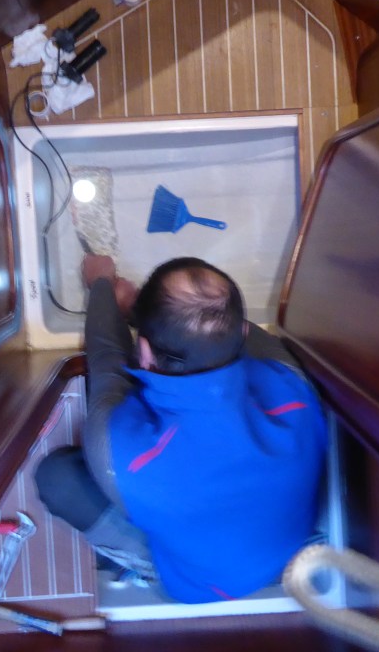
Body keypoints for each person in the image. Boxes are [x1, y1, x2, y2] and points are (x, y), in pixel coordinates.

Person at [35, 254, 328, 603]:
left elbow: (107, 361)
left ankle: (144, 566)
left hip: (207, 583)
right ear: (243, 332)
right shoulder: (293, 384)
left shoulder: (122, 454)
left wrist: (100, 285)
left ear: (143, 351)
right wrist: (141, 314)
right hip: (289, 547)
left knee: (58, 478)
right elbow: (220, 328)